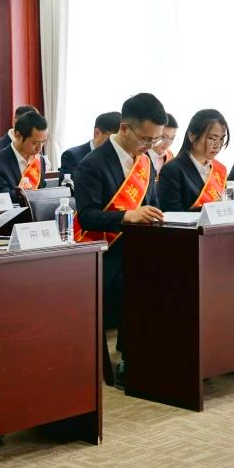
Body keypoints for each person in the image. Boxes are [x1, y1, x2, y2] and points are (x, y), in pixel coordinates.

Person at [73, 93, 167, 378]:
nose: (150, 146)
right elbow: (87, 216)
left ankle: (167, 354)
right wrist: (126, 216)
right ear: (125, 128)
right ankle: (132, 359)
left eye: (156, 140)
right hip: (104, 254)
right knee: (142, 281)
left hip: (138, 249)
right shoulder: (92, 164)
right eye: (146, 139)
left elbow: (152, 205)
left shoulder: (145, 161)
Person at [158, 109, 234, 212]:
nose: (217, 145)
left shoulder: (220, 169)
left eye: (221, 139)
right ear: (192, 136)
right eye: (212, 138)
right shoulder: (172, 170)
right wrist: (214, 208)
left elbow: (223, 204)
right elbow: (172, 215)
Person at [0, 110, 48, 195]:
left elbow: (42, 192)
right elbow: (3, 197)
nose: (39, 148)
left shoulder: (40, 160)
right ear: (18, 136)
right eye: (35, 143)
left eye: (43, 142)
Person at [60, 112, 121, 177]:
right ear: (97, 133)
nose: (117, 144)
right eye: (113, 138)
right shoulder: (72, 156)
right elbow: (70, 183)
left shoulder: (120, 157)